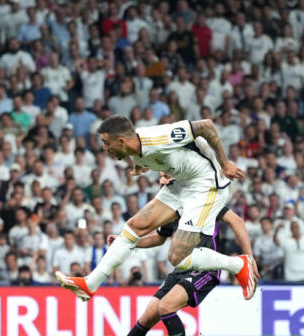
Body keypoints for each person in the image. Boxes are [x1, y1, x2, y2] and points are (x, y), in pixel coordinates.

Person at [55, 116, 257, 302]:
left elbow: (205, 126)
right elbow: (161, 156)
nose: (105, 148)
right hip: (181, 183)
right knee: (134, 226)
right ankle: (90, 284)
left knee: (177, 258)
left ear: (121, 141)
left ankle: (239, 265)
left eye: (107, 143)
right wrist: (143, 167)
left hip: (206, 185)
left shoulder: (158, 137)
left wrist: (224, 163)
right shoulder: (134, 150)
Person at [96, 192, 258, 336]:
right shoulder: (171, 206)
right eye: (162, 175)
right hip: (180, 269)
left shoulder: (203, 198)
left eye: (167, 174)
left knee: (166, 307)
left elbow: (237, 221)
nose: (164, 178)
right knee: (146, 318)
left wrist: (250, 259)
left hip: (204, 268)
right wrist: (126, 243)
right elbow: (159, 238)